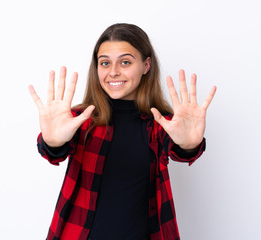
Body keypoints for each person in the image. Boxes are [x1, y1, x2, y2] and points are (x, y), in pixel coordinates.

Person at [28, 23, 216, 240]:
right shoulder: (81, 120)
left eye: (125, 62)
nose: (113, 72)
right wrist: (52, 143)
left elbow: (180, 149)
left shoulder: (161, 123)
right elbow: (55, 148)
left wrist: (189, 144)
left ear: (146, 65)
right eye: (105, 63)